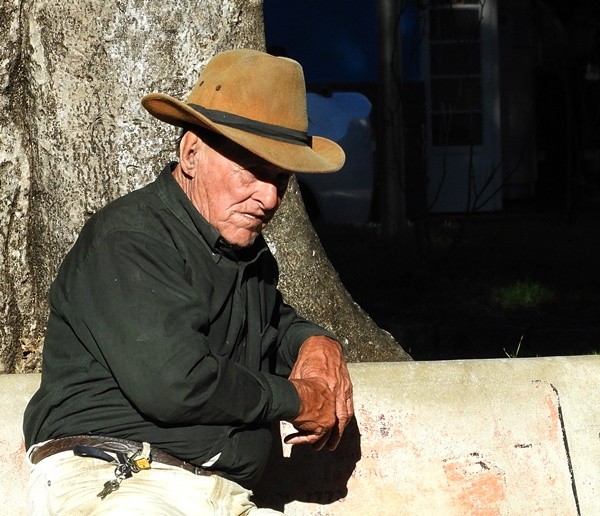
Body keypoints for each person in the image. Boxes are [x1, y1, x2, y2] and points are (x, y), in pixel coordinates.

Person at [23, 48, 354, 515]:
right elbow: (177, 383)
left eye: (281, 179)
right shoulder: (131, 238)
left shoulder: (246, 256)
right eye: (254, 172)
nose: (269, 197)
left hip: (220, 495)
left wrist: (319, 342)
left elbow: (272, 323)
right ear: (191, 154)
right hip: (119, 480)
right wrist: (297, 399)